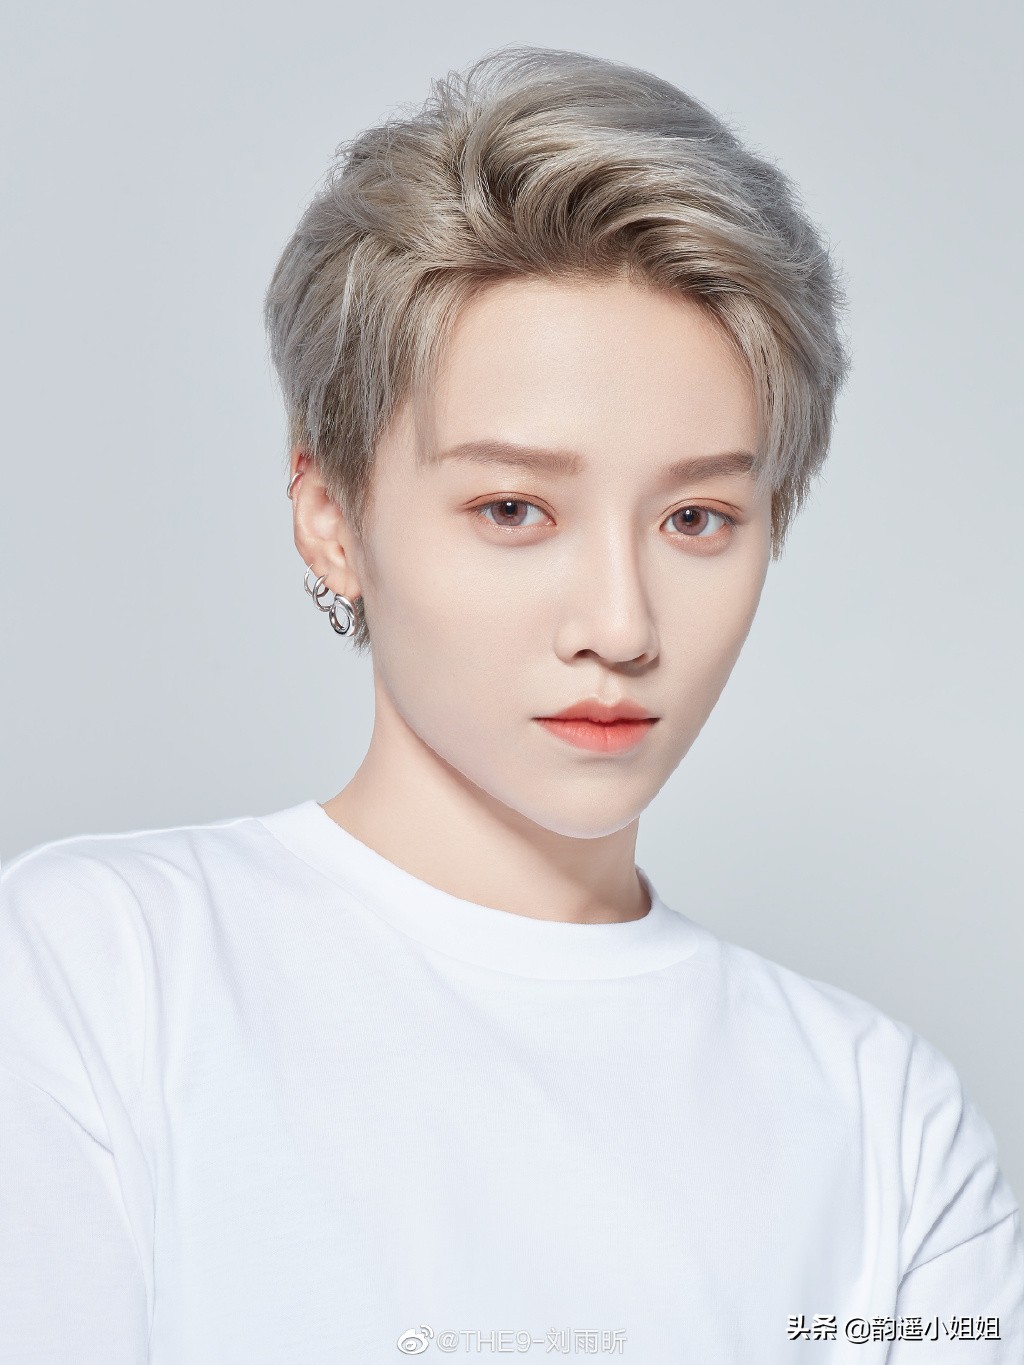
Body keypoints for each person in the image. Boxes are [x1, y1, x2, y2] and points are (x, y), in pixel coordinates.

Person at [0, 45, 1020, 1365]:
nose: (621, 625)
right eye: (514, 509)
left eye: (697, 518)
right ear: (332, 519)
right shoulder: (98, 973)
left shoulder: (887, 1127)